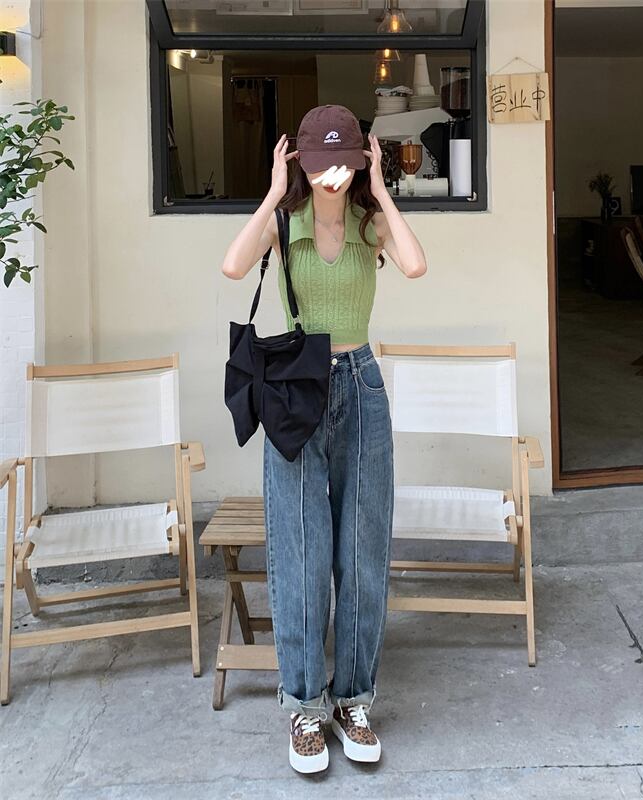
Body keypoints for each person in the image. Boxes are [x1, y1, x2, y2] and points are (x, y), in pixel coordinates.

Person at [221, 104, 427, 774]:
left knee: (362, 552)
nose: (330, 176)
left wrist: (385, 191)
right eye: (319, 165)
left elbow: (415, 266)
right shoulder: (286, 223)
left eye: (342, 163)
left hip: (361, 385)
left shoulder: (370, 223)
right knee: (301, 553)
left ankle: (353, 700)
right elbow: (232, 266)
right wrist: (273, 193)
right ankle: (306, 706)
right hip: (297, 392)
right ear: (302, 165)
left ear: (359, 163)